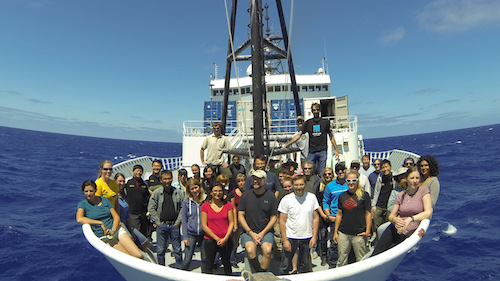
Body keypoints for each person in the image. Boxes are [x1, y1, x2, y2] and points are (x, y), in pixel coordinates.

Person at [372, 167, 433, 256]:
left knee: (390, 255)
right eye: (412, 178)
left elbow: (428, 212)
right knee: (377, 254)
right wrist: (395, 220)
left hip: (408, 233)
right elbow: (391, 216)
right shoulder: (401, 195)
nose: (415, 181)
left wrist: (410, 219)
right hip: (395, 228)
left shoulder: (423, 191)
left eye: (417, 178)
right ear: (406, 179)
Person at [76, 180, 142, 259]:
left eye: (91, 191)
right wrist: (100, 223)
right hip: (105, 236)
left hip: (116, 230)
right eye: (86, 191)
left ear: (95, 191)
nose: (88, 194)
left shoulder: (104, 200)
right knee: (128, 257)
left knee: (139, 255)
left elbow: (116, 216)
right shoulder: (82, 204)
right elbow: (79, 219)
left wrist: (113, 230)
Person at [282, 103, 340, 176]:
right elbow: (298, 135)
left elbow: (331, 136)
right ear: (312, 111)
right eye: (314, 110)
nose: (316, 111)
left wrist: (337, 150)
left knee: (321, 173)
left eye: (317, 110)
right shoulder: (308, 123)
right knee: (308, 172)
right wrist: (287, 145)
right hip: (312, 152)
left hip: (322, 151)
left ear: (319, 111)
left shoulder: (325, 122)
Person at [238, 169, 278, 272]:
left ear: (264, 181)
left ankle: (260, 273)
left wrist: (262, 233)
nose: (255, 181)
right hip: (248, 231)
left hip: (266, 231)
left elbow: (274, 217)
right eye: (254, 178)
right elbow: (241, 216)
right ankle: (260, 273)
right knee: (251, 250)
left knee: (267, 250)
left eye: (259, 179)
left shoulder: (271, 196)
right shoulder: (245, 196)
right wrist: (251, 233)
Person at [279, 175, 319, 274]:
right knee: (285, 266)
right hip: (290, 237)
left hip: (306, 237)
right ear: (293, 185)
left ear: (305, 184)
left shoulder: (312, 197)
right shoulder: (286, 199)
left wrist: (314, 236)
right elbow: (282, 221)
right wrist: (284, 240)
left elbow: (316, 218)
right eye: (296, 185)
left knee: (304, 266)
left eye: (301, 184)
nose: (299, 187)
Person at [333, 171, 372, 267]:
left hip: (359, 234)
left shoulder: (364, 195)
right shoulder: (342, 196)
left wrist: (367, 232)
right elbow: (339, 214)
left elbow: (368, 214)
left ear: (358, 181)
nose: (351, 183)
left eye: (354, 180)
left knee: (361, 261)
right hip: (343, 233)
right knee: (341, 260)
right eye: (349, 180)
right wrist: (335, 232)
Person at [148, 170, 184, 268]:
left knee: (177, 250)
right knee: (160, 250)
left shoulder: (178, 192)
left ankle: (179, 270)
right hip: (161, 225)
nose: (167, 181)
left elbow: (183, 208)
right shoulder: (157, 193)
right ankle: (161, 269)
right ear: (161, 180)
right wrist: (157, 222)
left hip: (174, 225)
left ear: (172, 179)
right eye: (165, 179)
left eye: (169, 178)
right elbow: (151, 207)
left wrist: (177, 222)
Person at [201, 182, 234, 274]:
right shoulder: (205, 206)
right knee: (209, 266)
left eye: (220, 191)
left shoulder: (228, 205)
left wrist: (225, 238)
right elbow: (204, 225)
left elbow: (231, 223)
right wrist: (217, 239)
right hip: (210, 240)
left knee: (227, 264)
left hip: (226, 240)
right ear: (211, 192)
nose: (217, 193)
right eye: (215, 191)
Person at [322, 162, 348, 268]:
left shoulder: (350, 183)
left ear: (346, 170)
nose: (340, 172)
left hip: (349, 219)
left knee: (348, 242)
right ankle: (332, 266)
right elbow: (325, 201)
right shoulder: (330, 186)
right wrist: (328, 216)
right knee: (334, 243)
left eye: (342, 169)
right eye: (338, 170)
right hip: (335, 218)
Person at [181, 178, 207, 271]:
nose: (195, 190)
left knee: (204, 259)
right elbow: (184, 219)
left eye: (196, 187)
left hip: (204, 234)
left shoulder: (206, 200)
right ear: (189, 190)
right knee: (187, 259)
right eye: (192, 189)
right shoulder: (186, 202)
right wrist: (185, 237)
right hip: (191, 234)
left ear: (199, 187)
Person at [371, 160, 397, 233]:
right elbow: (376, 191)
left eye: (386, 167)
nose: (385, 169)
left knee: (388, 222)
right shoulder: (380, 178)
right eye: (383, 167)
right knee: (375, 217)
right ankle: (376, 235)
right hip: (380, 204)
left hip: (390, 205)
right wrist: (373, 205)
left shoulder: (394, 177)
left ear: (390, 167)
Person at [126, 165, 150, 237]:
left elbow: (147, 196)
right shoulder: (128, 183)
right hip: (133, 213)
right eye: (137, 171)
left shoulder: (144, 184)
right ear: (133, 172)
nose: (139, 172)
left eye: (140, 171)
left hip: (143, 212)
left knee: (144, 232)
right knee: (136, 232)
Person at [228, 173, 246, 269]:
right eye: (239, 181)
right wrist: (234, 222)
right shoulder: (233, 193)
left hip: (247, 219)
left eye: (243, 181)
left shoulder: (248, 192)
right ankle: (233, 259)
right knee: (235, 241)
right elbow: (233, 207)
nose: (241, 183)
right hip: (237, 219)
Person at [316, 167, 334, 266]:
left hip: (334, 214)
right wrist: (323, 215)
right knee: (323, 235)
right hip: (322, 214)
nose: (327, 176)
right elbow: (317, 202)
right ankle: (324, 255)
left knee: (333, 235)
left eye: (329, 174)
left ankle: (332, 254)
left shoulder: (336, 185)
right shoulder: (320, 187)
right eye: (325, 174)